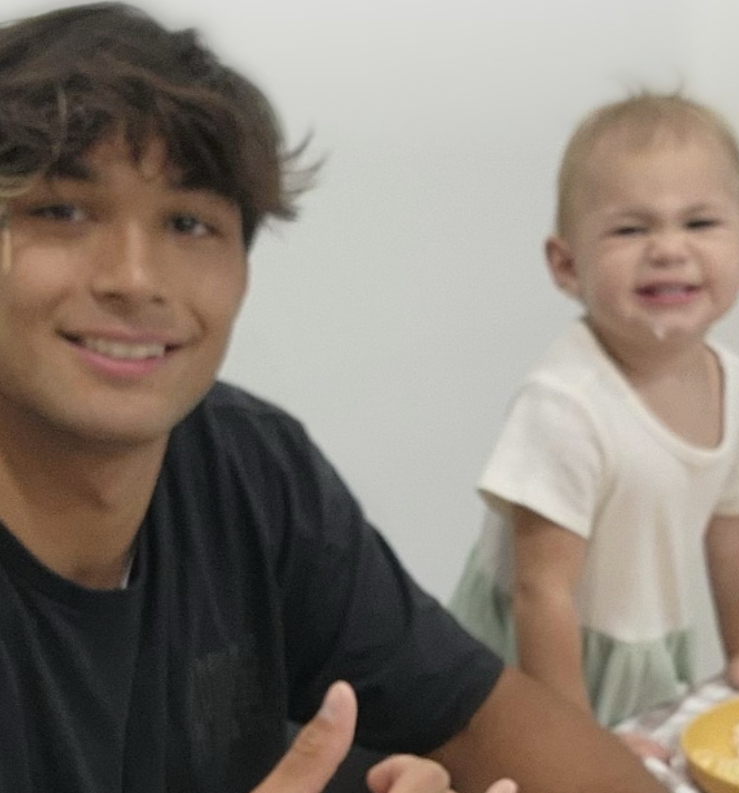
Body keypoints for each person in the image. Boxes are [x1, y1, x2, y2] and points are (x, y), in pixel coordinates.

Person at [0, 3, 669, 792]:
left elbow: (476, 714)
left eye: (188, 222)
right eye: (61, 211)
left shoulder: (250, 466)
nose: (134, 279)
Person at [449, 91, 739, 760]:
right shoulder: (565, 404)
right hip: (532, 666)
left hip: (644, 647)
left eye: (699, 222)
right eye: (631, 230)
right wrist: (578, 740)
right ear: (566, 264)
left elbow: (736, 526)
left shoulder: (737, 386)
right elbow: (541, 591)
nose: (668, 249)